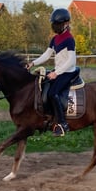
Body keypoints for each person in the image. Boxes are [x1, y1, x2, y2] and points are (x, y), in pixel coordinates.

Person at [26, 8, 77, 137]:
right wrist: (33, 63)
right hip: (59, 71)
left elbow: (71, 60)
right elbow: (46, 55)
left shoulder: (69, 39)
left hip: (68, 72)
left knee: (53, 93)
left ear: (66, 24)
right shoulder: (55, 39)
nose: (55, 27)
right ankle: (47, 119)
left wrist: (56, 73)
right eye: (54, 24)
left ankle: (62, 124)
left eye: (57, 24)